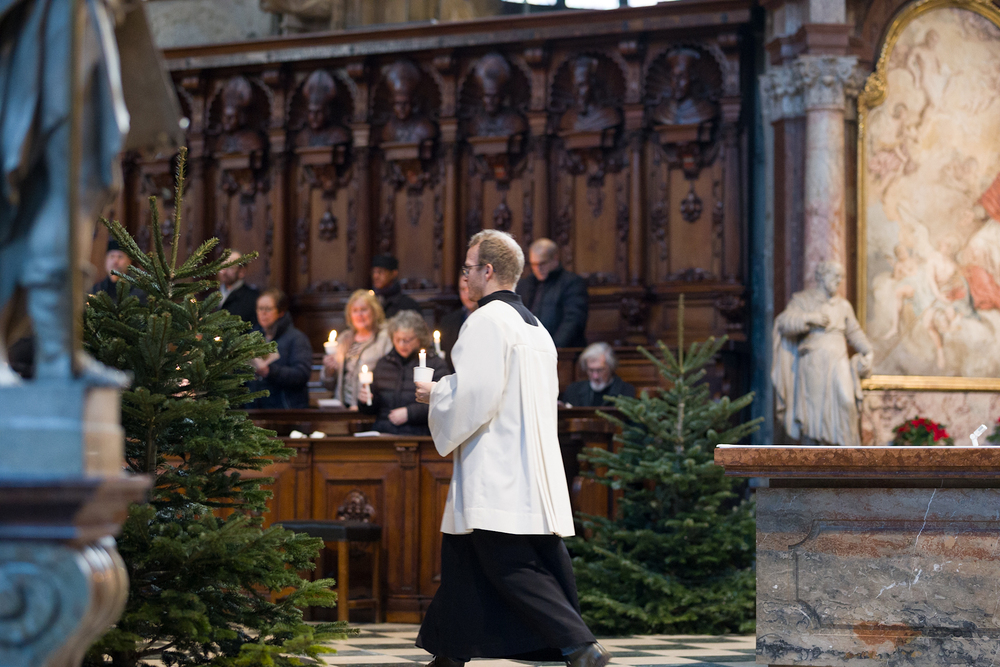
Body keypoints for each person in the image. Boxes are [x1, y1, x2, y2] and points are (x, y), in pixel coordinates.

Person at [414, 229, 610, 667]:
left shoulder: (485, 321)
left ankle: (579, 645)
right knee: (466, 562)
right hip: (528, 464)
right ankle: (448, 657)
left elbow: (477, 395)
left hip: (497, 467)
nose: (464, 277)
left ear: (487, 270)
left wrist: (437, 393)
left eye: (468, 268)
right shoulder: (535, 326)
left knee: (509, 564)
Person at [772, 261, 874, 447]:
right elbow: (784, 323)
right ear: (821, 276)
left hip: (839, 359)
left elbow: (854, 332)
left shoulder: (843, 305)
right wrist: (809, 318)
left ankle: (847, 455)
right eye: (835, 275)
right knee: (813, 410)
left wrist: (867, 351)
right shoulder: (803, 300)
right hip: (813, 360)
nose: (839, 280)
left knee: (847, 402)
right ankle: (813, 456)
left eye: (841, 276)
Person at [358, 310, 448, 435]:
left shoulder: (435, 364)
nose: (401, 344)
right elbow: (373, 408)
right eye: (397, 339)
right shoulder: (384, 364)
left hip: (419, 435)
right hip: (385, 432)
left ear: (419, 338)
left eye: (407, 340)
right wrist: (365, 401)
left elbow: (443, 401)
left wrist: (409, 413)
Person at [322, 289, 392, 408]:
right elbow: (328, 385)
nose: (359, 315)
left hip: (369, 406)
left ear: (374, 311)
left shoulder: (384, 339)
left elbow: (389, 377)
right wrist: (329, 372)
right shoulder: (344, 339)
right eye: (355, 311)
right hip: (343, 407)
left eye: (363, 309)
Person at [516, 238, 589, 348]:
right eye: (533, 264)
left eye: (542, 263)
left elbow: (573, 321)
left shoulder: (572, 283)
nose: (538, 268)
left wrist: (553, 348)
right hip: (531, 349)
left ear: (555, 259)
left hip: (563, 351)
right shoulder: (526, 284)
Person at [248, 288, 313, 409]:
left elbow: (301, 374)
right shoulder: (252, 337)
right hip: (256, 409)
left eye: (268, 309)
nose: (263, 313)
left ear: (281, 312)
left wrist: (270, 371)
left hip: (286, 409)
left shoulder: (296, 338)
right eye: (260, 308)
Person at [560, 342, 636, 408]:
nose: (595, 376)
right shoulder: (573, 391)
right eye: (591, 370)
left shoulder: (625, 391)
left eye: (600, 370)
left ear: (610, 367)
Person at [438, 275, 477, 372]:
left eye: (470, 288)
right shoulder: (448, 321)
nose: (467, 294)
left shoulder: (490, 319)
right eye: (463, 289)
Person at [217, 250, 260, 328]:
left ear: (242, 271)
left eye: (230, 267)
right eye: (221, 267)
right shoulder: (211, 296)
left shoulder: (252, 298)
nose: (223, 272)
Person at [372, 253, 420, 318]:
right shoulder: (370, 301)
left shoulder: (407, 304)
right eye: (374, 272)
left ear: (394, 273)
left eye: (381, 272)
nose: (375, 276)